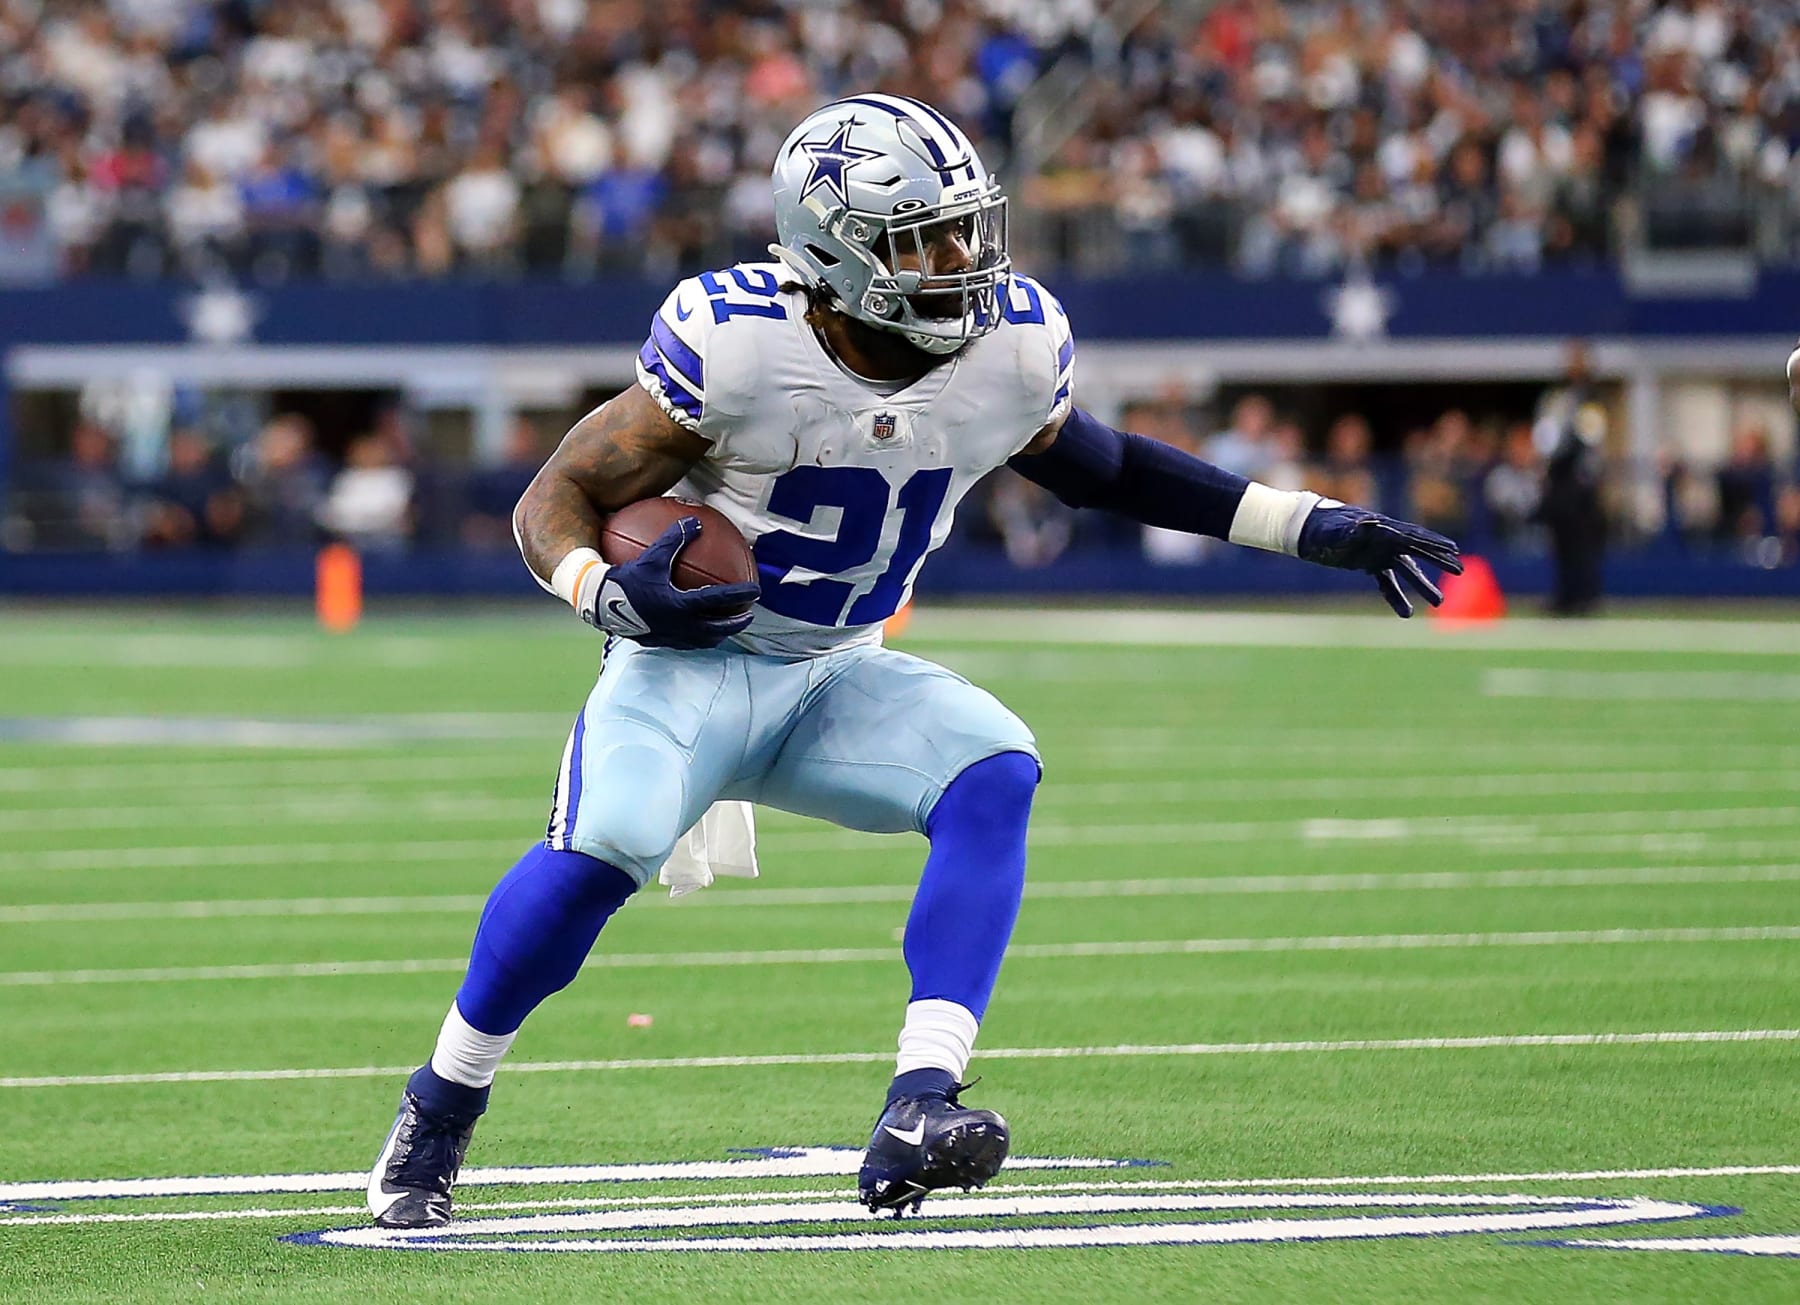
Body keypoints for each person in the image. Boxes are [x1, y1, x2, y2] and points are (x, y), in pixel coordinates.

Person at [365, 94, 1462, 1230]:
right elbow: (560, 492)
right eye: (922, 238)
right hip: (689, 662)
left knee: (995, 769)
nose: (959, 260)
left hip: (840, 666)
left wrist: (1308, 524)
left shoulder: (1010, 350)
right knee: (603, 851)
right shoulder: (739, 349)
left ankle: (920, 1099)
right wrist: (603, 589)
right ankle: (441, 1105)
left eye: (964, 228)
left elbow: (1110, 469)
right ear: (832, 254)